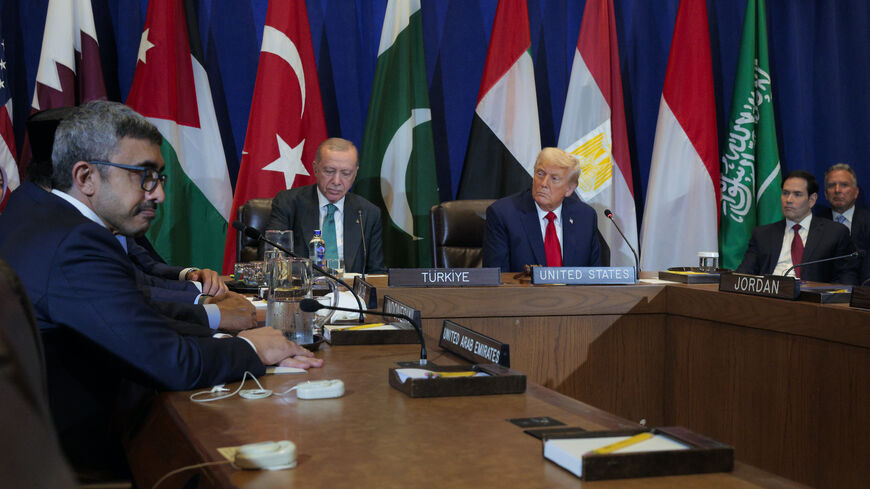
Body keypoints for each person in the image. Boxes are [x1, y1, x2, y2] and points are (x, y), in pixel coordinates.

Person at [0, 100, 322, 471]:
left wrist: (231, 336)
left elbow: (139, 318)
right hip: (82, 460)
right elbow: (173, 364)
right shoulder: (74, 243)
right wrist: (251, 349)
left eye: (159, 177)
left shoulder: (37, 214)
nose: (158, 195)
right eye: (143, 175)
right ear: (86, 177)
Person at [266, 137, 386, 273]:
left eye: (346, 173)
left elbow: (377, 272)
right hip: (304, 291)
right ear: (315, 169)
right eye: (329, 171)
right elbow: (272, 260)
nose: (336, 181)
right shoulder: (288, 203)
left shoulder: (368, 212)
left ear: (355, 173)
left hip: (349, 292)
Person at [483, 147, 601, 273]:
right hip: (525, 292)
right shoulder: (503, 214)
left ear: (569, 189)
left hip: (574, 293)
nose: (544, 183)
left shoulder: (585, 217)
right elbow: (497, 279)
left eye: (554, 178)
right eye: (540, 174)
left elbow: (596, 277)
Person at [737, 170, 857, 283]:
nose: (788, 200)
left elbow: (846, 278)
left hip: (810, 300)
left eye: (797, 194)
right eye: (785, 193)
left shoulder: (834, 233)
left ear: (812, 200)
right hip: (769, 297)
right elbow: (743, 275)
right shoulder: (763, 234)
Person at [816, 163, 870, 283]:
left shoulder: (867, 221)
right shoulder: (815, 223)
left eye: (844, 185)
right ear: (825, 194)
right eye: (831, 185)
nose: (837, 190)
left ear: (856, 192)